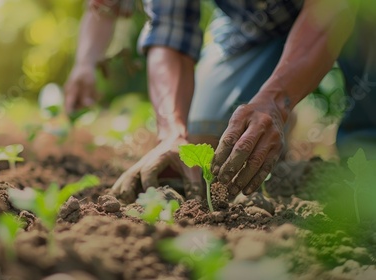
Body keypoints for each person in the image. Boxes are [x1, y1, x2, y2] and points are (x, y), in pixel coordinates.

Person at [64, 0, 376, 203]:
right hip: (255, 30)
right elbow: (170, 33)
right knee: (208, 147)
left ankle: (365, 160)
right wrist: (173, 132)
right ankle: (268, 130)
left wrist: (275, 101)